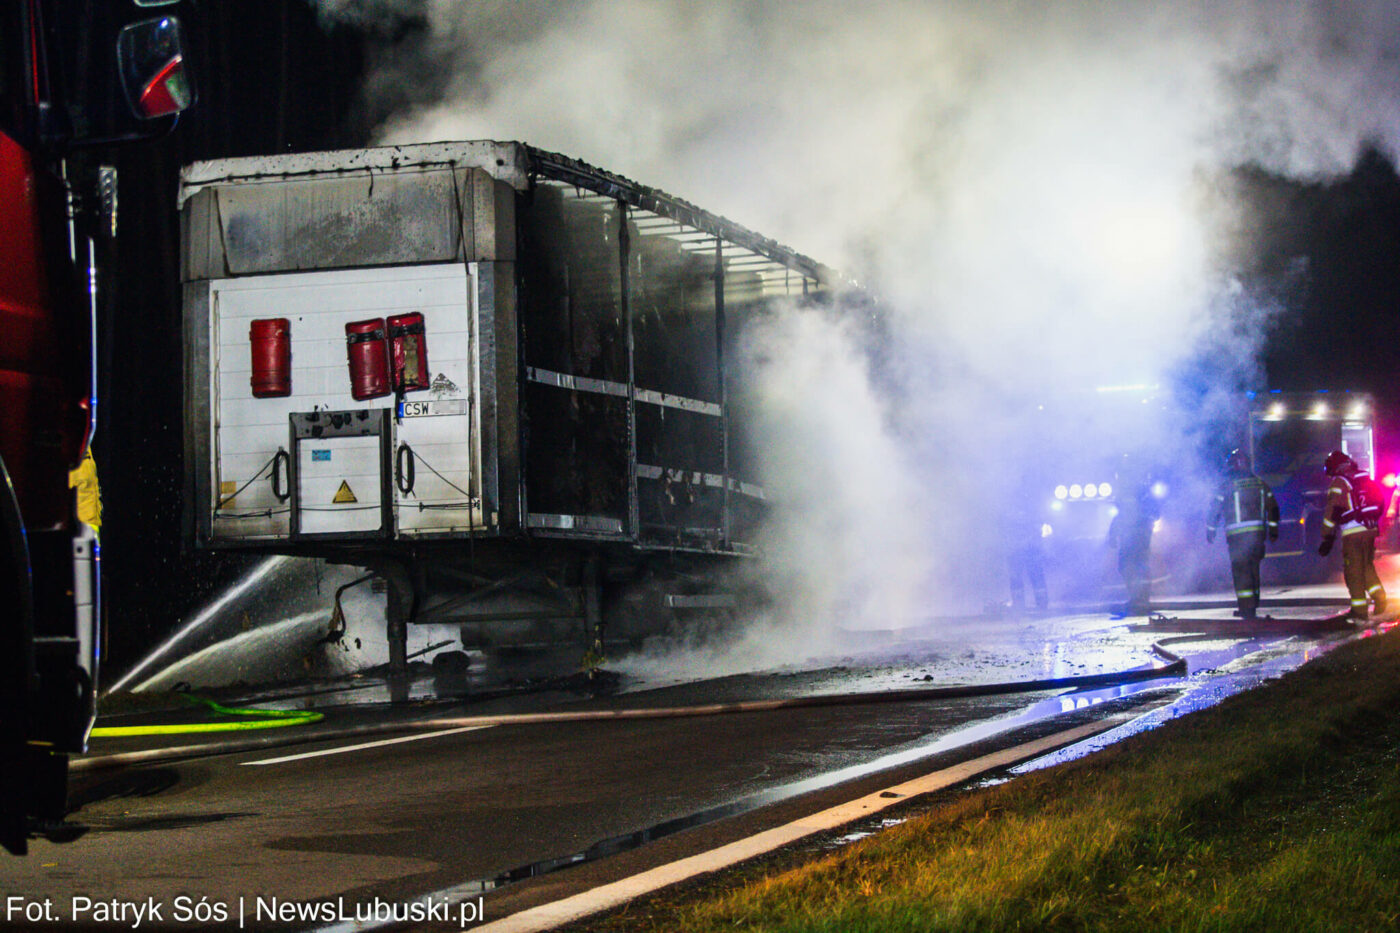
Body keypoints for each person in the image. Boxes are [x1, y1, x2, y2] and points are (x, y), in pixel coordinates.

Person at [1206, 449, 1278, 620]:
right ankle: (1252, 605)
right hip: (1258, 536)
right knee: (1253, 571)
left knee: (1241, 572)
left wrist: (1211, 531)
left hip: (1238, 538)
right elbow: (1273, 508)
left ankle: (1247, 610)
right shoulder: (1260, 484)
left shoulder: (1227, 486)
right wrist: (1273, 530)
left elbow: (1214, 510)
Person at [1318, 450, 1385, 621]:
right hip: (1370, 529)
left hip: (1352, 533)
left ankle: (1359, 611)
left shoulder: (1339, 482)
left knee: (1353, 572)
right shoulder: (1362, 477)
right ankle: (1380, 597)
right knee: (1367, 566)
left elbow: (1332, 510)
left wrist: (1326, 535)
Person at [1107, 463, 1159, 617]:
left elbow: (1121, 515)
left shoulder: (1131, 492)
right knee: (1135, 566)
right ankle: (1140, 599)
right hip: (1137, 535)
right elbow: (1154, 512)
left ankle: (1139, 600)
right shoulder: (1142, 492)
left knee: (1130, 566)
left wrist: (1112, 535)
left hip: (1133, 536)